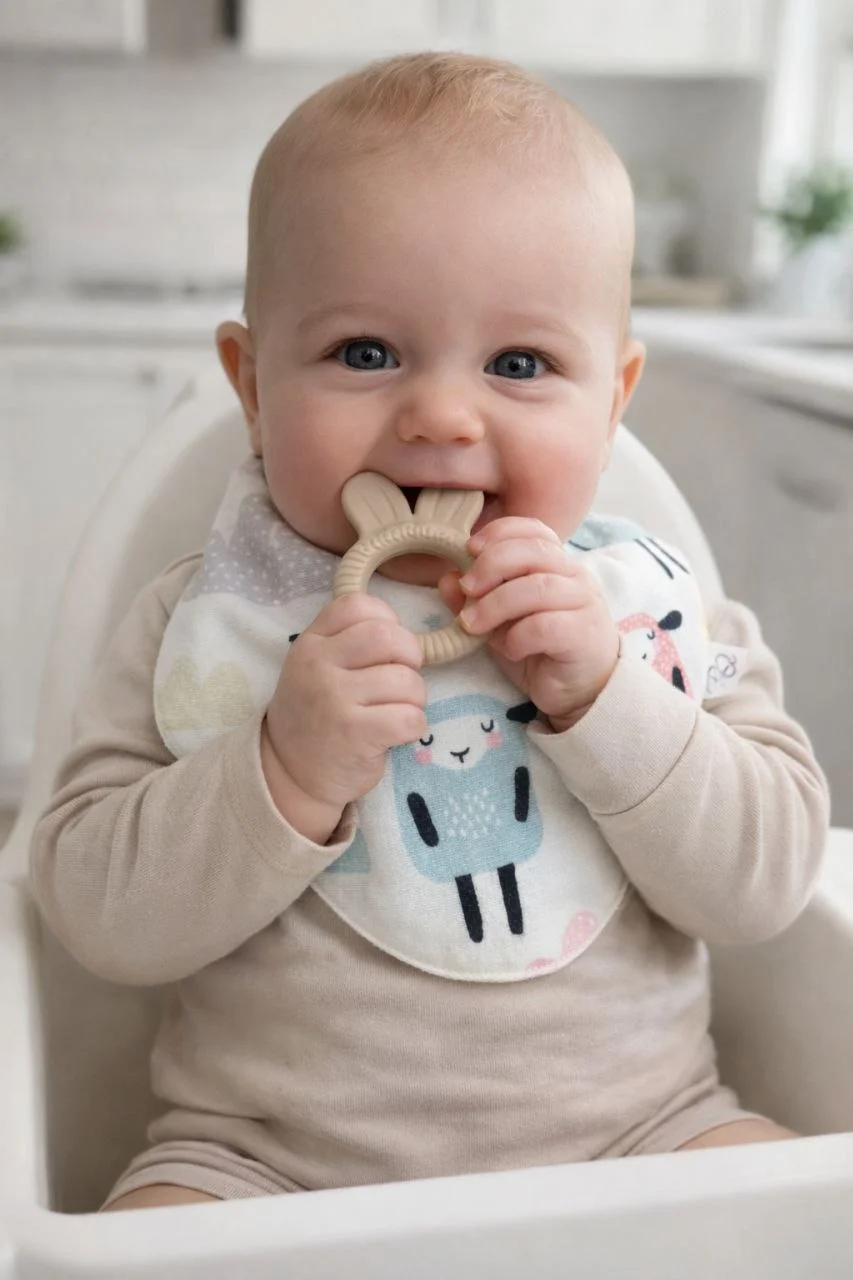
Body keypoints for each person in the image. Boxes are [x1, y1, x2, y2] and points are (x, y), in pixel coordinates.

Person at [30, 52, 829, 1212]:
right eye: (366, 353)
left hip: (641, 1139)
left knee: (796, 1213)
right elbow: (95, 917)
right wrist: (281, 767)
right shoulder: (207, 622)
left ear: (611, 399)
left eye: (519, 363)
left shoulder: (648, 608)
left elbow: (766, 886)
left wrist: (609, 697)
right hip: (266, 1168)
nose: (442, 415)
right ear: (252, 388)